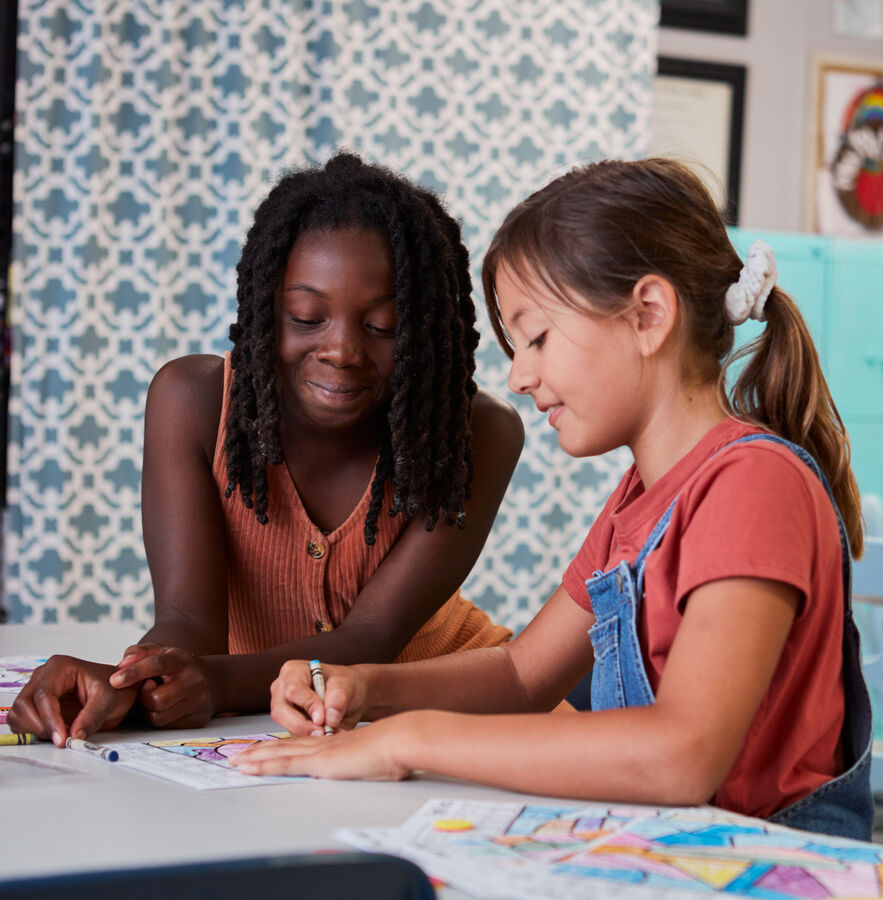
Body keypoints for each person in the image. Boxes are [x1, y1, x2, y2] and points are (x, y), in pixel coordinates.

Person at [232, 158, 873, 841]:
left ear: (648, 316)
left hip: (773, 869)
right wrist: (365, 685)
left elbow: (681, 757)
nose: (519, 375)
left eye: (536, 337)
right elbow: (521, 675)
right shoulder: (643, 495)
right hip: (676, 856)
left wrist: (406, 741)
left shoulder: (751, 485)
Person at [9, 153, 523, 744]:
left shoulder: (476, 430)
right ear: (264, 310)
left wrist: (215, 685)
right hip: (282, 727)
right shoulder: (194, 402)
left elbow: (369, 640)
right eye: (306, 317)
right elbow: (187, 625)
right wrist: (128, 683)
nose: (342, 350)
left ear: (427, 328)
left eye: (382, 327)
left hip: (450, 714)